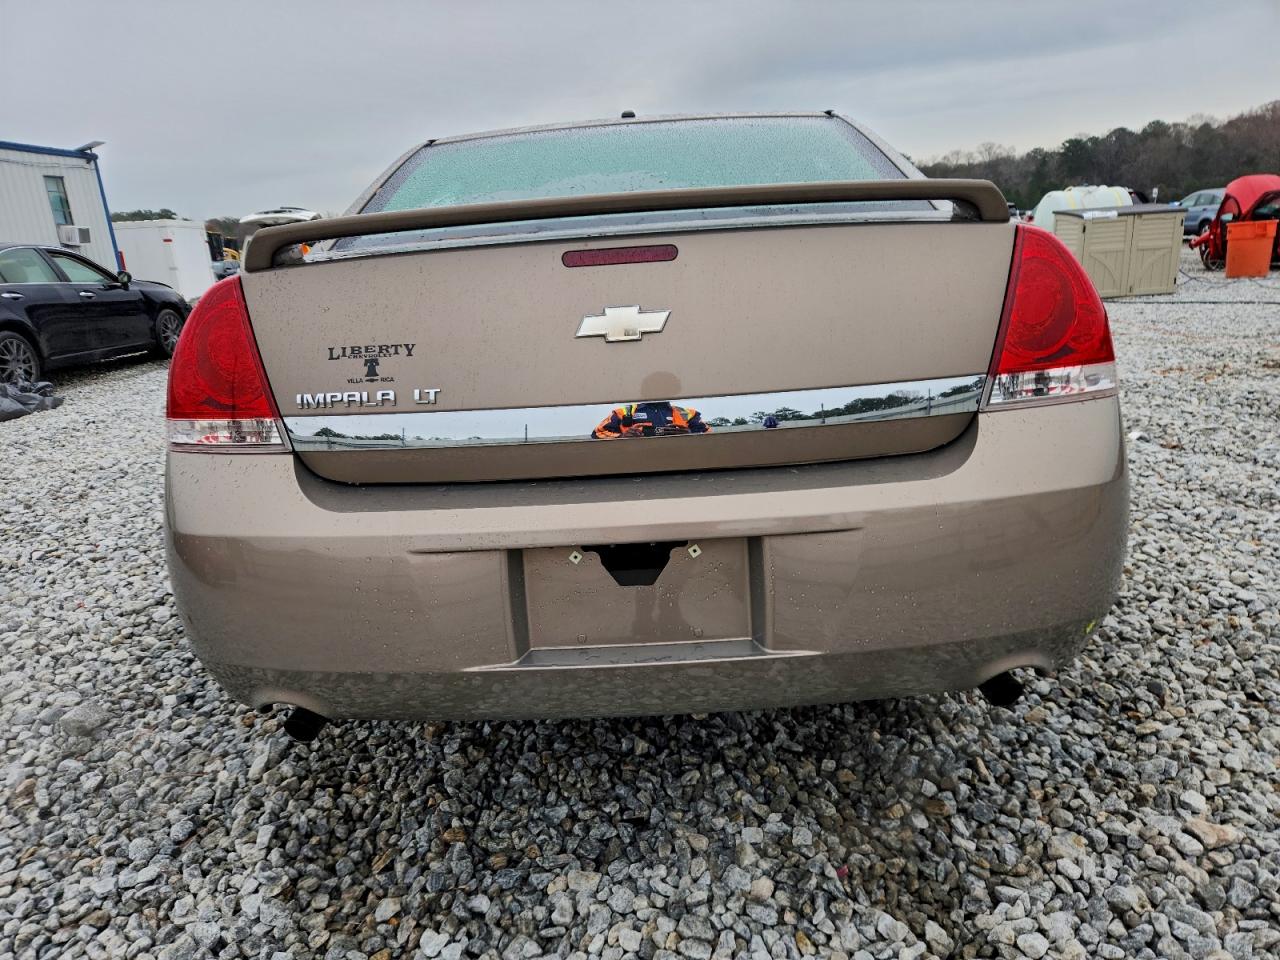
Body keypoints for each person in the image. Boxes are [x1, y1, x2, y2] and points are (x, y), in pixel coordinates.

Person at [591, 400, 710, 439]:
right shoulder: (622, 413)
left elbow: (710, 436)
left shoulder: (688, 414)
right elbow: (597, 434)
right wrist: (622, 437)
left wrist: (689, 435)